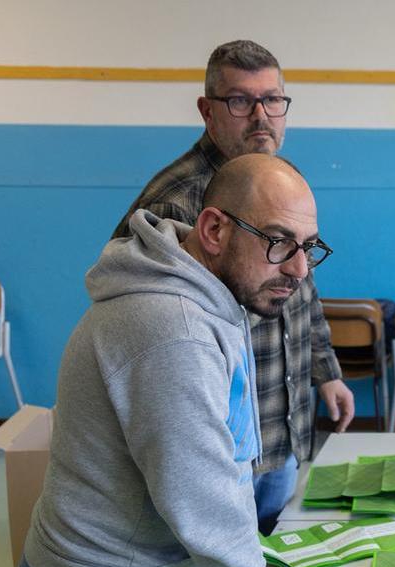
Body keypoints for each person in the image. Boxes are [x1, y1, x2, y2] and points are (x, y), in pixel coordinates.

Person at [17, 155, 355, 567]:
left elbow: (226, 462)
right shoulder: (175, 331)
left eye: (307, 245)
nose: (299, 269)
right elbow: (204, 504)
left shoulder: (208, 295)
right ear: (214, 229)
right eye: (278, 241)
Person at [113, 39, 353, 533]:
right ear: (208, 110)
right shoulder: (174, 206)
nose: (261, 116)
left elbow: (303, 285)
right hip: (221, 452)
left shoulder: (283, 182)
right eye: (241, 101)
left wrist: (326, 371)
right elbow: (144, 342)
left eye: (273, 100)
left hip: (282, 429)